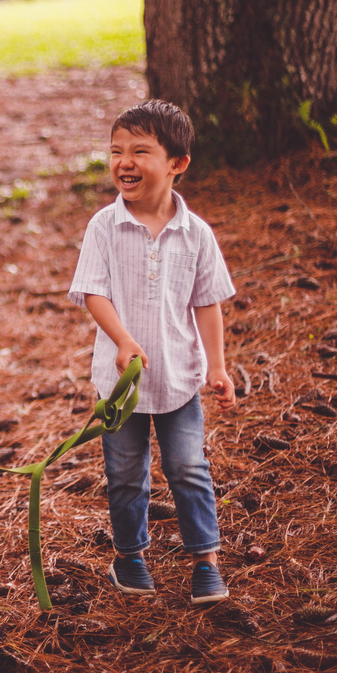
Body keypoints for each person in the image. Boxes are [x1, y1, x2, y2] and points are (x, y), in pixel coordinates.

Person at [67, 99, 237, 605]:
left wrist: (218, 367)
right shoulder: (104, 226)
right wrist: (122, 340)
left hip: (181, 378)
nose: (124, 162)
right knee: (124, 474)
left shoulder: (196, 233)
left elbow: (207, 304)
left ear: (177, 163)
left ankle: (205, 560)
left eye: (141, 151)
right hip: (120, 385)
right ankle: (129, 556)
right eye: (116, 151)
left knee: (188, 467)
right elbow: (93, 291)